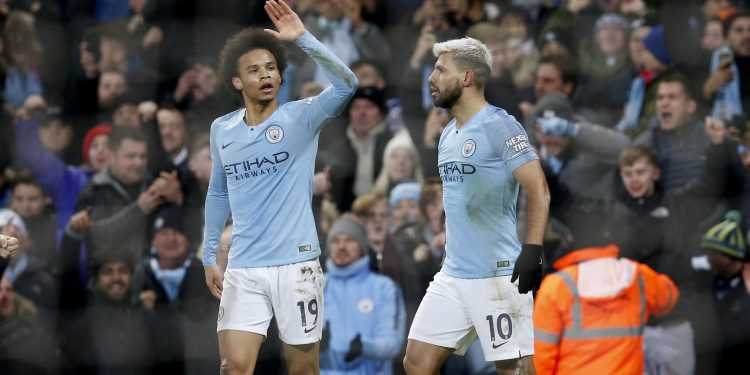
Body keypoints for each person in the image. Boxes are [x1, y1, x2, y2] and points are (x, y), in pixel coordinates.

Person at [201, 1, 358, 374]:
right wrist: (209, 257)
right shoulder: (222, 130)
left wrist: (303, 39)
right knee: (232, 367)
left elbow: (348, 83)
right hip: (243, 267)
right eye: (254, 70)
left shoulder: (302, 117)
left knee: (303, 369)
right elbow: (218, 192)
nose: (266, 75)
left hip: (298, 267)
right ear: (237, 82)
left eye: (271, 67)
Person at [403, 37, 550, 375]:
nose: (432, 78)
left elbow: (538, 187)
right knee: (416, 362)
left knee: (513, 369)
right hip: (453, 274)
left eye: (441, 70)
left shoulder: (500, 125)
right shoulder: (447, 133)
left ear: (467, 77)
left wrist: (533, 249)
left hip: (497, 275)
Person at [533, 203, 679, 375]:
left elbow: (540, 357)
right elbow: (668, 299)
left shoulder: (556, 286)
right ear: (607, 234)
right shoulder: (636, 276)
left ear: (571, 239)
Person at [320, 217, 406, 374]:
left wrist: (364, 347)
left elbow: (393, 342)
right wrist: (313, 347)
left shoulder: (384, 287)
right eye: (336, 241)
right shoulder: (316, 287)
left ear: (361, 246)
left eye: (349, 240)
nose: (342, 246)